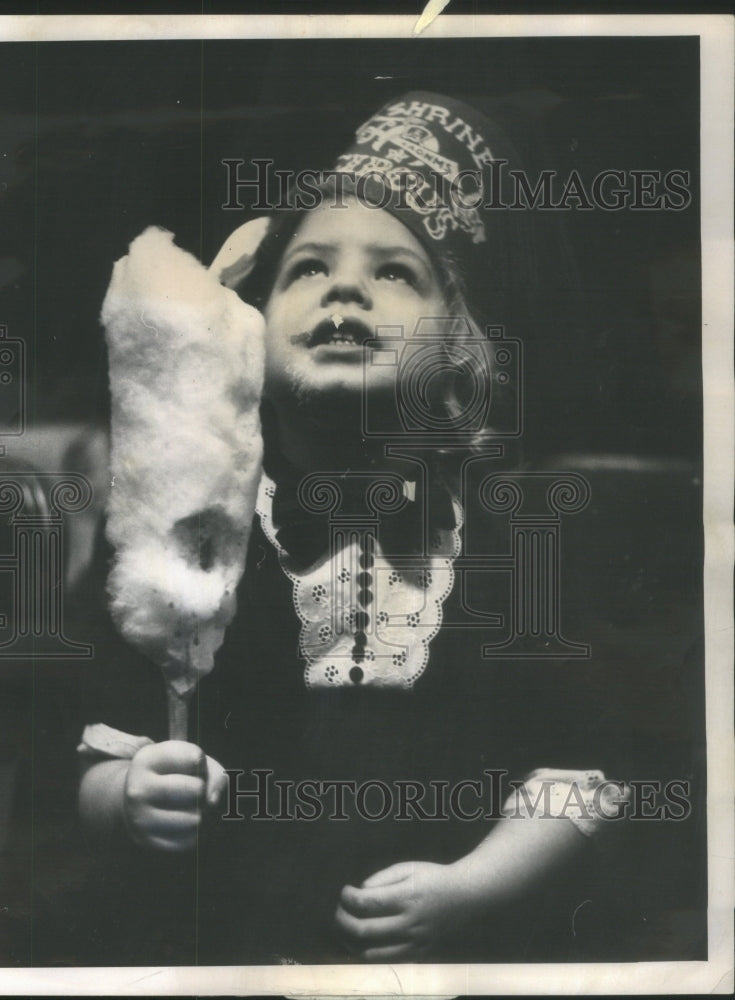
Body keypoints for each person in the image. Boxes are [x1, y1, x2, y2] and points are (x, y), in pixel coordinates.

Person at [77, 91, 626, 964]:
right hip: (215, 951)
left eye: (395, 271)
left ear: (461, 341)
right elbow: (75, 741)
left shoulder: (519, 544)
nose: (343, 285)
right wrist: (124, 792)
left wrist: (475, 886)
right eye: (306, 267)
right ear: (250, 325)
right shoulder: (183, 527)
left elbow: (583, 772)